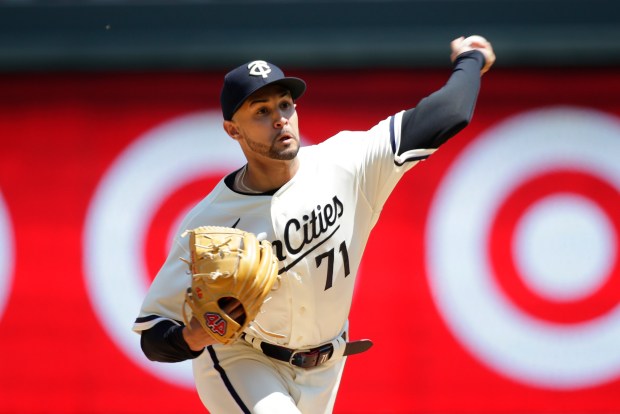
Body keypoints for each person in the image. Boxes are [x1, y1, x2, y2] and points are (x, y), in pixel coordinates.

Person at [133, 35, 495, 413]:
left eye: (286, 104)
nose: (280, 119)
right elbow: (152, 336)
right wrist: (193, 336)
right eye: (261, 110)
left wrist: (470, 59)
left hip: (326, 363)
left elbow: (448, 113)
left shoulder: (345, 163)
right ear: (232, 129)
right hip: (244, 360)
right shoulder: (211, 223)